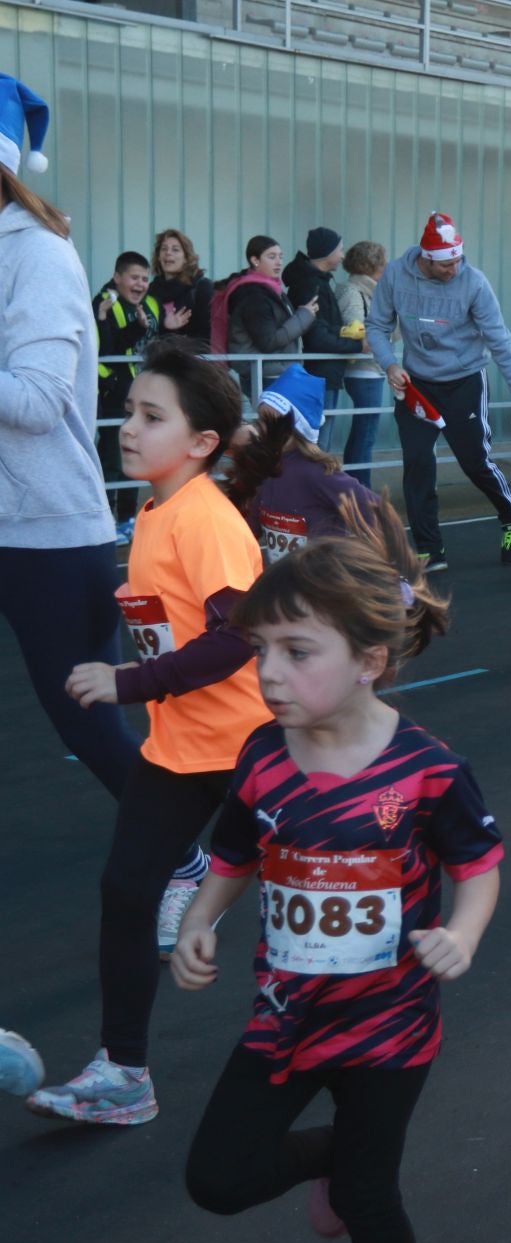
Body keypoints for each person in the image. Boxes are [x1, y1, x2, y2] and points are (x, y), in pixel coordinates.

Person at [174, 504, 500, 1243]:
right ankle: (335, 1153)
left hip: (389, 1027)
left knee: (368, 1199)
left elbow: (478, 863)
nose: (268, 673)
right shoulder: (259, 754)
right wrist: (199, 918)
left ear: (370, 661)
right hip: (286, 1014)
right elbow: (232, 852)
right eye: (261, 650)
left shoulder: (428, 769)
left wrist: (464, 934)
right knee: (217, 1180)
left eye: (296, 651)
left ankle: (353, 1167)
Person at [30, 339, 263, 1125]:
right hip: (181, 748)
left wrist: (128, 683)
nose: (128, 427)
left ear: (201, 444)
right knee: (126, 892)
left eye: (150, 416)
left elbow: (238, 637)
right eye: (129, 411)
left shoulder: (207, 520)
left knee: (317, 903)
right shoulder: (158, 509)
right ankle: (124, 1074)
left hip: (249, 754)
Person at [0, 74, 138, 1100]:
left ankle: (197, 850)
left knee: (91, 726)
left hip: (51, 531)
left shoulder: (39, 256)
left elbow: (43, 404)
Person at [366, 211, 511, 573]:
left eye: (457, 261)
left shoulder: (474, 282)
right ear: (426, 257)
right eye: (445, 265)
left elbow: (499, 339)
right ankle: (429, 548)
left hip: (465, 380)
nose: (453, 270)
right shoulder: (396, 274)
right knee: (418, 463)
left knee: (474, 461)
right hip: (416, 384)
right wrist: (390, 364)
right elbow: (377, 326)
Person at [224, 364, 379, 563]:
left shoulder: (316, 473)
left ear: (295, 430)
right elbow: (250, 526)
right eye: (260, 420)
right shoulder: (266, 469)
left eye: (269, 422)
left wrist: (378, 565)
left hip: (325, 584)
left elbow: (376, 511)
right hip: (284, 581)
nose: (260, 429)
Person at [95, 249, 164, 533]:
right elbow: (106, 350)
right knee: (111, 455)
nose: (140, 284)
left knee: (135, 453)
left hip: (144, 393)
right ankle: (105, 519)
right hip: (115, 393)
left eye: (144, 279)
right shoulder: (104, 303)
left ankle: (126, 518)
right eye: (134, 277)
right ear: (117, 278)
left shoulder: (151, 304)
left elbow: (155, 339)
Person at [283, 227, 360, 450]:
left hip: (322, 371)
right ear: (327, 253)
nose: (343, 255)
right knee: (317, 441)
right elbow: (317, 336)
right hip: (319, 373)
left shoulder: (317, 282)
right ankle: (315, 482)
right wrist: (356, 344)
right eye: (340, 250)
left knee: (316, 438)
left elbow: (324, 328)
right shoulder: (311, 285)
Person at [218, 235, 320, 395]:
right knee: (273, 420)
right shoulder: (253, 295)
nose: (278, 262)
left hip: (272, 370)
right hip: (265, 373)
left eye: (280, 257)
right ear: (255, 260)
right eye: (271, 257)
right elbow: (269, 341)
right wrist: (304, 316)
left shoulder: (272, 290)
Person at [332, 240, 388, 486]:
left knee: (365, 432)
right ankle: (360, 490)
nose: (385, 268)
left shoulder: (370, 291)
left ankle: (357, 487)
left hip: (370, 368)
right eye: (382, 263)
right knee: (365, 433)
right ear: (372, 265)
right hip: (363, 369)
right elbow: (358, 329)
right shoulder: (353, 292)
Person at [150, 228, 214, 346]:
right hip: (157, 360)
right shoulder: (150, 291)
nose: (168, 253)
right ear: (158, 257)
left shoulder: (201, 287)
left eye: (175, 250)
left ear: (186, 258)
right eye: (164, 249)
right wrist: (166, 327)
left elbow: (206, 337)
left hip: (191, 361)